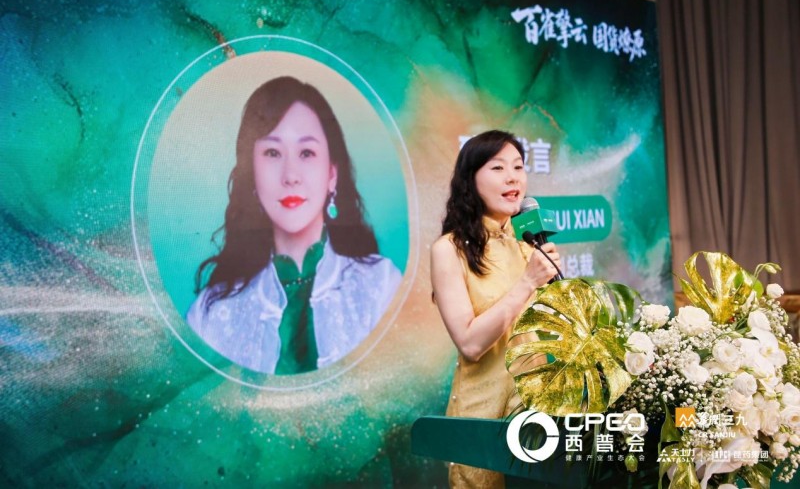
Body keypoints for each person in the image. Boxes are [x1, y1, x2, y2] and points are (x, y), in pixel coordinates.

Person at [187, 76, 402, 375]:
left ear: (332, 175)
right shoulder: (211, 315)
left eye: (306, 153)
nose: (290, 176)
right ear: (252, 176)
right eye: (273, 153)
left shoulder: (381, 287)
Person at [430, 130, 561, 488]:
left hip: (536, 417)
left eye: (518, 167)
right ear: (470, 180)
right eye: (498, 168)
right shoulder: (449, 250)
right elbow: (470, 344)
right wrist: (527, 282)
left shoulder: (527, 247)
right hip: (483, 415)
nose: (513, 177)